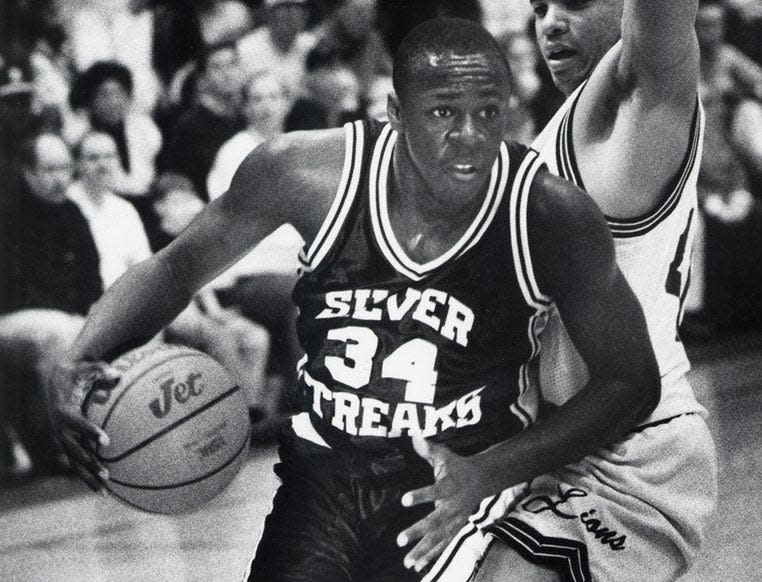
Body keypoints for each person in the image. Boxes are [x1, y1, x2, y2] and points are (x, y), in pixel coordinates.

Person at [47, 18, 662, 582]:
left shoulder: (550, 213)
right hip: (320, 486)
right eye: (444, 113)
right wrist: (78, 356)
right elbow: (176, 269)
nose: (470, 136)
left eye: (488, 112)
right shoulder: (304, 174)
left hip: (459, 492)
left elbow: (630, 381)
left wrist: (493, 471)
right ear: (395, 111)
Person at [437, 1, 718, 581]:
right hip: (552, 448)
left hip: (631, 454)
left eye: (574, 2)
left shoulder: (640, 106)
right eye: (539, 7)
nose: (550, 22)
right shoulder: (553, 136)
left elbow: (662, 19)